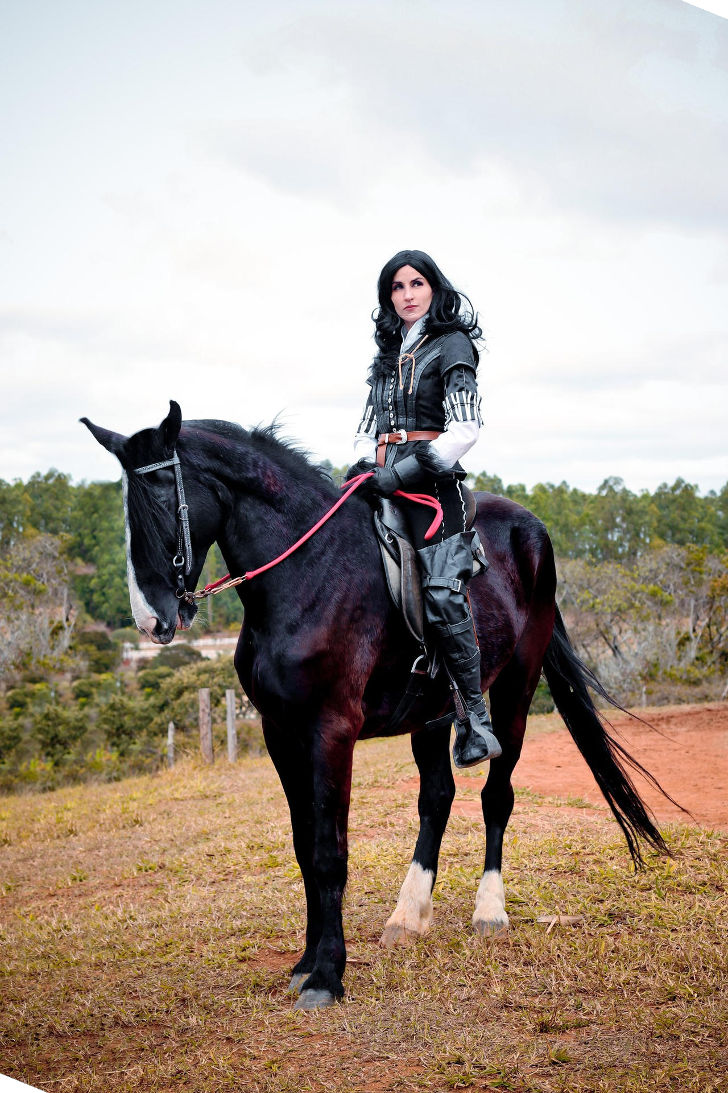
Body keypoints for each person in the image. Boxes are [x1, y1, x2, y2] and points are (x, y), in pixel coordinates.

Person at [347, 249, 501, 768]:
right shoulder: (387, 355)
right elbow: (369, 427)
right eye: (397, 287)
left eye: (416, 283)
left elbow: (466, 431)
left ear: (433, 288)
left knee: (441, 592)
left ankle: (476, 720)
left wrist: (405, 472)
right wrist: (363, 469)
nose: (407, 294)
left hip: (434, 490)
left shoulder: (452, 344)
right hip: (383, 478)